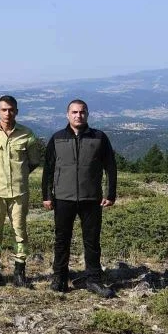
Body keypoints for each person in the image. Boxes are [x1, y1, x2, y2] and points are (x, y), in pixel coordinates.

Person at [42, 99, 117, 298]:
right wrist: (47, 196)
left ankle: (94, 280)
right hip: (63, 198)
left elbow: (110, 167)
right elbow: (48, 170)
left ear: (87, 114)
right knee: (62, 240)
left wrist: (110, 194)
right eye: (74, 112)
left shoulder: (100, 138)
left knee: (92, 241)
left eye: (82, 112)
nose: (78, 115)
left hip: (91, 198)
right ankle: (59, 278)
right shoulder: (57, 138)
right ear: (68, 115)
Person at [0, 95, 40, 288]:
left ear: (17, 111)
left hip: (19, 192)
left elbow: (33, 161)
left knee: (20, 232)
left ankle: (19, 272)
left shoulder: (27, 134)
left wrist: (19, 175)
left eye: (11, 109)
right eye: (4, 109)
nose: (7, 113)